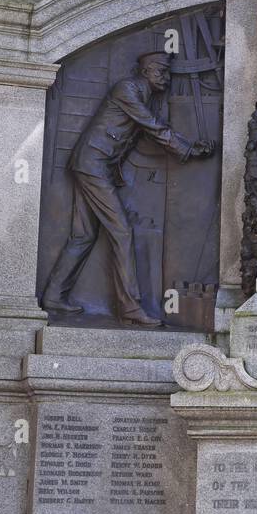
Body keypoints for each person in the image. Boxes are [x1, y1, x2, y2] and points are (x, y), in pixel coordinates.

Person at [41, 52, 213, 326]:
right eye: (162, 72)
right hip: (92, 165)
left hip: (91, 164)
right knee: (122, 232)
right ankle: (130, 307)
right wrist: (186, 149)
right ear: (146, 71)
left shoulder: (140, 95)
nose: (166, 79)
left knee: (83, 236)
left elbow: (150, 132)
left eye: (167, 73)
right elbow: (153, 127)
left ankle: (53, 295)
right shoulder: (127, 90)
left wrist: (189, 147)